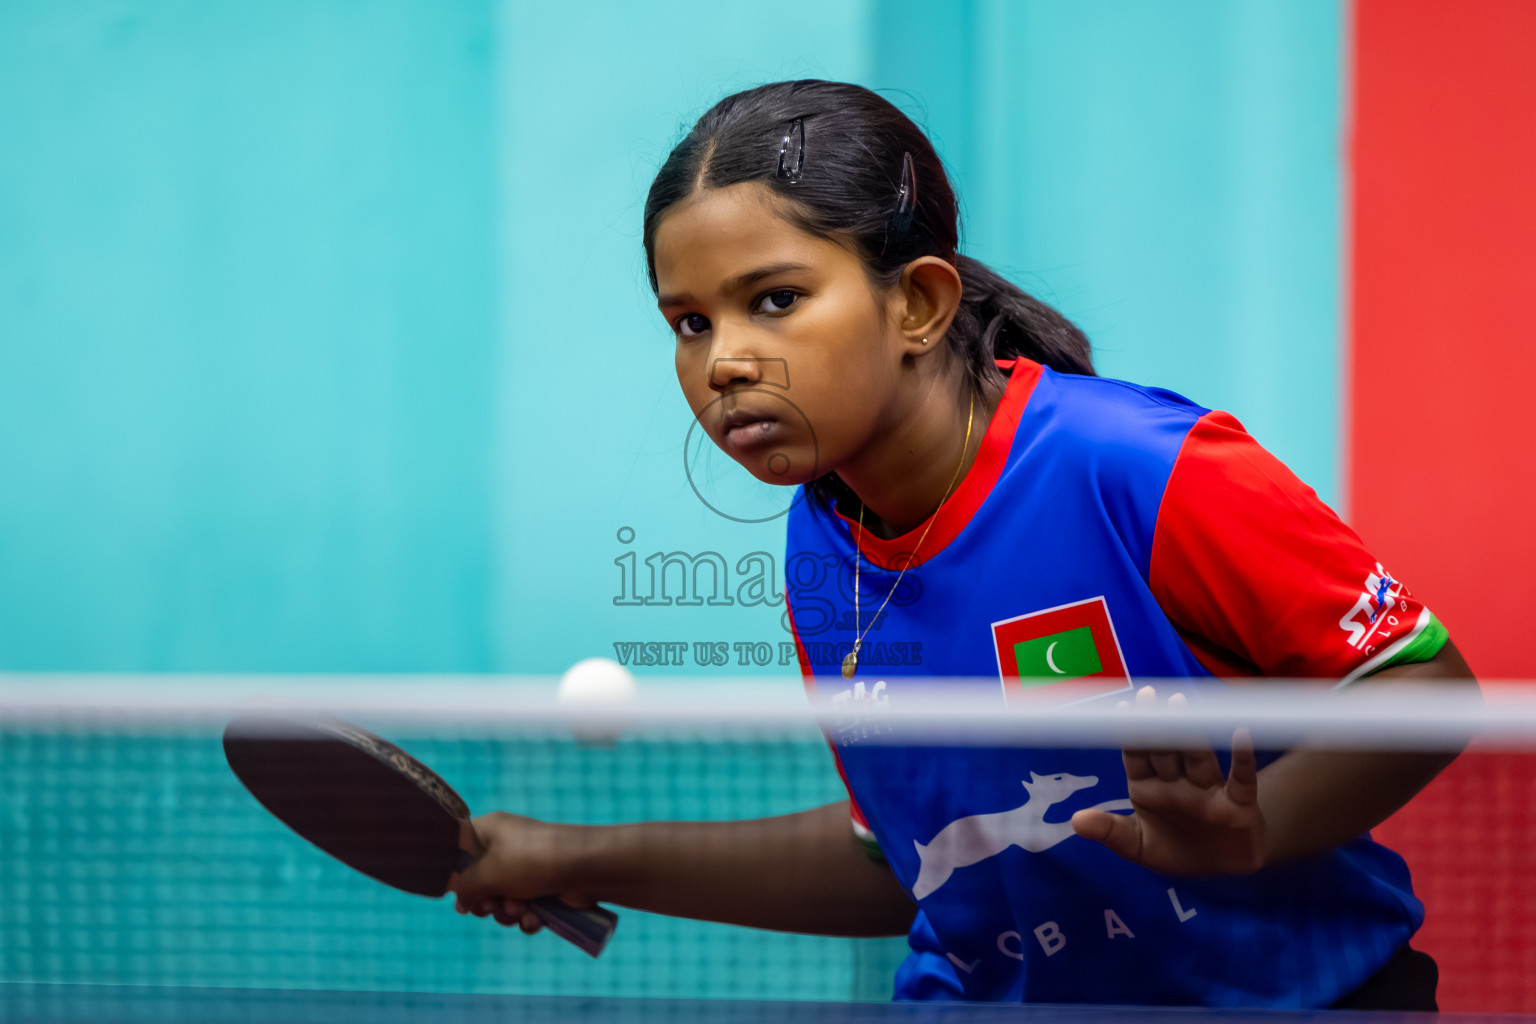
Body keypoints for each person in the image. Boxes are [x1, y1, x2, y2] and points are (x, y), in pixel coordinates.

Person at [453, 80, 1476, 1009]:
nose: (724, 361)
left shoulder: (1137, 466)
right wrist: (577, 851)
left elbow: (1425, 692)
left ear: (919, 302)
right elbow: (913, 864)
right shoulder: (825, 536)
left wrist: (1254, 834)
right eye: (688, 321)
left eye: (775, 300)